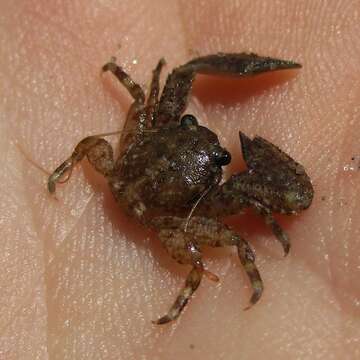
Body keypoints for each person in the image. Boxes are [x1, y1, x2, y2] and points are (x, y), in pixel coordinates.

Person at [1, 1, 359, 358]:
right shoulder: (197, 211)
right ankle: (182, 302)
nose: (191, 124)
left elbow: (146, 95)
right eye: (189, 123)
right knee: (226, 244)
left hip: (117, 172)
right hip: (164, 224)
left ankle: (70, 165)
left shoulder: (134, 142)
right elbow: (277, 207)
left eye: (219, 158)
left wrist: (115, 83)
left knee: (144, 100)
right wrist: (260, 222)